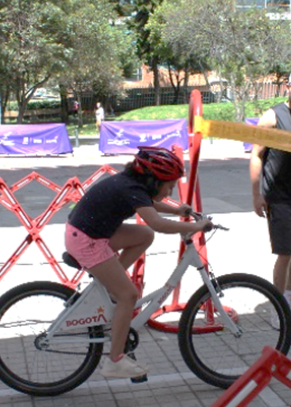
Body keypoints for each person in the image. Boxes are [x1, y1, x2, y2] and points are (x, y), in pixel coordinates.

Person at [65, 146, 212, 379]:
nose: (171, 190)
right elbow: (157, 223)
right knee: (128, 295)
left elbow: (148, 205)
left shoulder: (132, 184)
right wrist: (194, 227)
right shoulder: (130, 187)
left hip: (88, 234)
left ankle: (107, 285)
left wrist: (178, 210)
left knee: (143, 236)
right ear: (154, 181)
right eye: (169, 185)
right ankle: (115, 362)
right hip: (87, 241)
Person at [249, 67, 291, 320]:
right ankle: (277, 308)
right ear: (287, 88)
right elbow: (256, 155)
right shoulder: (272, 116)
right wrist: (257, 195)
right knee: (285, 252)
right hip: (278, 198)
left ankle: (288, 299)